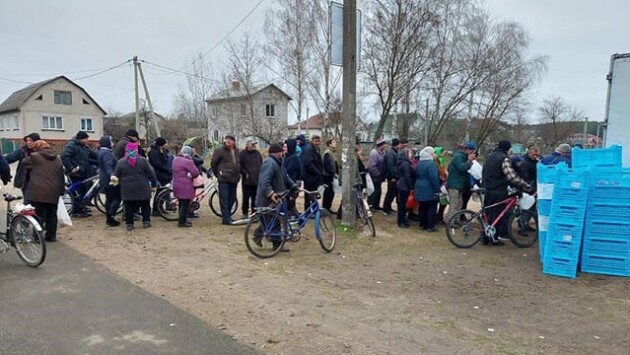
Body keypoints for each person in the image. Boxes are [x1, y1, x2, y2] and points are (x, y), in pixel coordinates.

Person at [481, 140, 532, 245]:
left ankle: (486, 235)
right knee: (498, 214)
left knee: (489, 213)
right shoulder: (504, 158)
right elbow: (511, 176)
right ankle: (494, 238)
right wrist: (524, 184)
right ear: (508, 149)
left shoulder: (490, 156)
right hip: (498, 189)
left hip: (487, 188)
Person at [255, 143, 297, 251]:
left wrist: (293, 186)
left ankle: (269, 241)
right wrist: (270, 193)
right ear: (277, 152)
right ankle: (275, 245)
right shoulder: (270, 163)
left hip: (278, 196)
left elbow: (285, 176)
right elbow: (264, 181)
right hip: (268, 198)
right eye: (281, 151)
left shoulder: (279, 162)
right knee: (272, 221)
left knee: (274, 221)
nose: (283, 152)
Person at [21, 140, 65, 242]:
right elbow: (61, 176)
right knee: (52, 214)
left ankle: (37, 237)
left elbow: (24, 162)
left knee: (38, 214)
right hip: (53, 190)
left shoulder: (35, 156)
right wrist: (61, 190)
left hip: (38, 191)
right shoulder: (57, 159)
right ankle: (51, 236)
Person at [112, 142, 158, 231]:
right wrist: (154, 184)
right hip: (142, 187)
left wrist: (114, 185)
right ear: (136, 150)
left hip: (127, 188)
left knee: (128, 206)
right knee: (145, 205)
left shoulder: (121, 162)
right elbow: (151, 173)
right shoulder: (143, 160)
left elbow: (115, 175)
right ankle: (146, 222)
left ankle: (129, 224)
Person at [60, 130, 97, 217]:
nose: (87, 140)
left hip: (83, 171)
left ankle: (81, 207)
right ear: (80, 139)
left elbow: (92, 155)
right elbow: (64, 156)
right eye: (86, 139)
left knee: (83, 190)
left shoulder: (84, 146)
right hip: (75, 172)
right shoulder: (72, 145)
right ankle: (76, 210)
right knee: (77, 191)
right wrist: (71, 168)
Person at [211, 134, 241, 225]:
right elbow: (213, 164)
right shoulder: (219, 151)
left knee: (232, 198)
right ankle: (226, 219)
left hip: (234, 178)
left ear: (234, 142)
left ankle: (227, 215)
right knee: (224, 199)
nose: (228, 141)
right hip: (223, 178)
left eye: (230, 139)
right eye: (227, 139)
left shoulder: (237, 151)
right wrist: (218, 174)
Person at [445, 143, 476, 224]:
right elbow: (462, 168)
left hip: (459, 184)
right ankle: (449, 220)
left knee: (459, 203)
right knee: (454, 204)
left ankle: (456, 219)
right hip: (454, 184)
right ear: (467, 150)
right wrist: (469, 161)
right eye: (472, 151)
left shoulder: (464, 157)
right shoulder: (458, 157)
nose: (473, 153)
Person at [414, 146, 441, 232]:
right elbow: (434, 178)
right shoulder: (431, 164)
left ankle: (422, 224)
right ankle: (430, 226)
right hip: (429, 188)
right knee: (431, 207)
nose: (434, 155)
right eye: (433, 153)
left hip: (419, 186)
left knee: (422, 206)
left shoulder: (419, 163)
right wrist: (437, 189)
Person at [172, 146, 200, 228]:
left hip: (176, 183)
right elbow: (195, 173)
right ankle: (182, 222)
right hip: (185, 185)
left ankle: (182, 219)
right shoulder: (188, 161)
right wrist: (190, 174)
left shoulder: (175, 159)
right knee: (185, 204)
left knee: (181, 203)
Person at [97, 135, 121, 227]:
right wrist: (113, 176)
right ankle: (110, 216)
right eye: (111, 141)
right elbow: (108, 166)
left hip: (103, 179)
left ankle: (109, 216)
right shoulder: (107, 153)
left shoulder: (100, 152)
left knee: (109, 199)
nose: (112, 143)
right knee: (117, 198)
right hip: (110, 180)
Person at [148, 137, 173, 216]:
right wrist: (166, 170)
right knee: (159, 192)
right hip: (158, 174)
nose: (166, 145)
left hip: (163, 174)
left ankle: (160, 207)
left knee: (163, 192)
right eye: (165, 143)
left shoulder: (161, 151)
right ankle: (156, 208)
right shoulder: (154, 152)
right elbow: (157, 164)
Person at [240, 138, 263, 218]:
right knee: (246, 198)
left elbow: (261, 164)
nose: (254, 145)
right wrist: (245, 173)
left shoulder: (258, 154)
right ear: (247, 145)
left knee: (255, 198)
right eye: (252, 144)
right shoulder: (242, 154)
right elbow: (239, 166)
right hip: (247, 181)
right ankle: (245, 213)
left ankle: (254, 213)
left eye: (254, 144)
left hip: (256, 180)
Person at [300, 135, 323, 209]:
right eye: (316, 141)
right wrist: (317, 172)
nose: (317, 143)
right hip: (309, 177)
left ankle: (313, 210)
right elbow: (308, 163)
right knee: (309, 196)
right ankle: (308, 211)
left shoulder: (316, 149)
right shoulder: (309, 149)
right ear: (312, 141)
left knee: (313, 195)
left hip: (313, 177)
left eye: (318, 141)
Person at [396, 148, 414, 229]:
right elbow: (408, 176)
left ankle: (403, 218)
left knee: (403, 204)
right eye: (410, 153)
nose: (411, 155)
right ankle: (400, 221)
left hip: (402, 185)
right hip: (404, 186)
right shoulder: (405, 164)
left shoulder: (404, 163)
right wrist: (411, 186)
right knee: (402, 205)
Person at [367, 138, 387, 210]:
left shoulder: (382, 153)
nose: (385, 146)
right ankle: (371, 205)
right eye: (384, 144)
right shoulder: (374, 153)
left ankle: (376, 205)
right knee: (373, 191)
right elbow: (371, 166)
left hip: (379, 176)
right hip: (374, 176)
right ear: (380, 145)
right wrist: (377, 174)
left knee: (378, 191)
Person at [383, 138, 401, 215]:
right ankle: (386, 208)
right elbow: (390, 166)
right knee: (390, 193)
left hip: (394, 176)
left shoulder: (394, 152)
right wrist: (393, 176)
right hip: (392, 177)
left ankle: (388, 207)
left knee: (393, 193)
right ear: (397, 144)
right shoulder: (391, 154)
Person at [283, 138, 301, 217]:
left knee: (290, 204)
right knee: (289, 204)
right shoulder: (287, 157)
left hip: (291, 185)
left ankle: (296, 218)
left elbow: (288, 171)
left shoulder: (294, 158)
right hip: (287, 185)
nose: (284, 149)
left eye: (286, 147)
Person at [321, 138, 339, 212]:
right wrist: (333, 173)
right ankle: (325, 207)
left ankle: (328, 207)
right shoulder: (327, 153)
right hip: (327, 176)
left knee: (331, 192)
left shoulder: (332, 153)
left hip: (331, 176)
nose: (335, 144)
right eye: (333, 142)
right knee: (328, 192)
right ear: (329, 144)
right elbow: (327, 165)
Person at [434, 147, 448, 224]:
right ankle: (436, 216)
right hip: (438, 183)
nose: (443, 154)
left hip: (443, 184)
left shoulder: (441, 160)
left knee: (444, 202)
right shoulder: (435, 161)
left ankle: (440, 215)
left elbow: (444, 170)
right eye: (441, 152)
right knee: (436, 201)